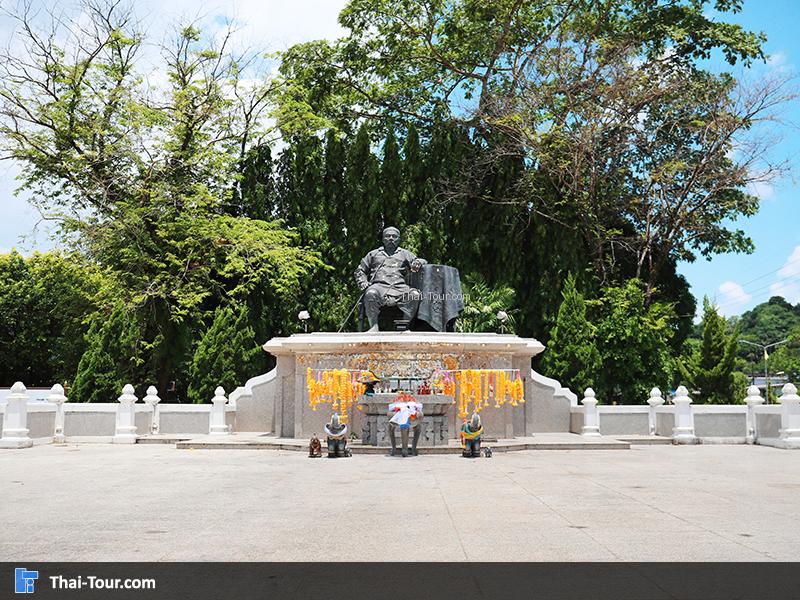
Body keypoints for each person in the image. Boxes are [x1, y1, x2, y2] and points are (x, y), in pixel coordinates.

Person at [354, 226, 427, 332]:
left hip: (399, 287)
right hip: (379, 287)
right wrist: (363, 282)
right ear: (383, 239)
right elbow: (360, 270)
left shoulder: (405, 254)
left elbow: (421, 261)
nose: (391, 238)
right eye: (388, 236)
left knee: (415, 295)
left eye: (394, 236)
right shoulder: (374, 254)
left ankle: (403, 326)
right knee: (370, 293)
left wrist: (419, 262)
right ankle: (374, 326)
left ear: (399, 239)